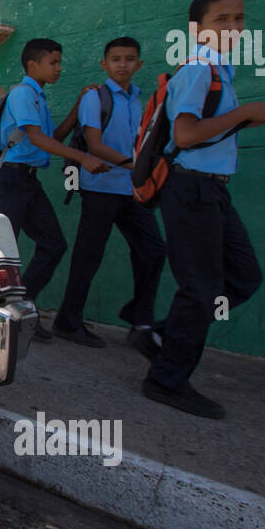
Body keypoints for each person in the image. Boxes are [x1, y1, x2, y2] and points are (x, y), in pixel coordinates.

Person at [143, 0, 265, 418]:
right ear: (199, 29)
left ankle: (162, 335)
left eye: (238, 18)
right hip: (191, 190)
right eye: (222, 20)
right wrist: (244, 113)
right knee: (199, 290)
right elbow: (185, 135)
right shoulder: (200, 69)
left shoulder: (221, 68)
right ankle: (165, 380)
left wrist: (240, 117)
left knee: (243, 276)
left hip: (212, 189)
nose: (233, 27)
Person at [52, 38, 167, 354]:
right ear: (104, 64)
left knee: (154, 251)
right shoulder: (95, 97)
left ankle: (140, 318)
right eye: (116, 59)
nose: (123, 64)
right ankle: (67, 320)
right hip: (100, 189)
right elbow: (95, 145)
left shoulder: (137, 99)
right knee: (88, 257)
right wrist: (136, 166)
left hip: (130, 190)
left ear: (139, 65)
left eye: (130, 59)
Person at [0, 38, 109, 340]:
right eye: (53, 62)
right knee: (4, 253)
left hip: (29, 181)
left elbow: (52, 136)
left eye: (59, 62)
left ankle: (20, 311)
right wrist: (83, 156)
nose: (59, 68)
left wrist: (77, 107)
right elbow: (39, 139)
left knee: (54, 244)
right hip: (13, 179)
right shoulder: (22, 94)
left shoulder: (38, 98)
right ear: (33, 65)